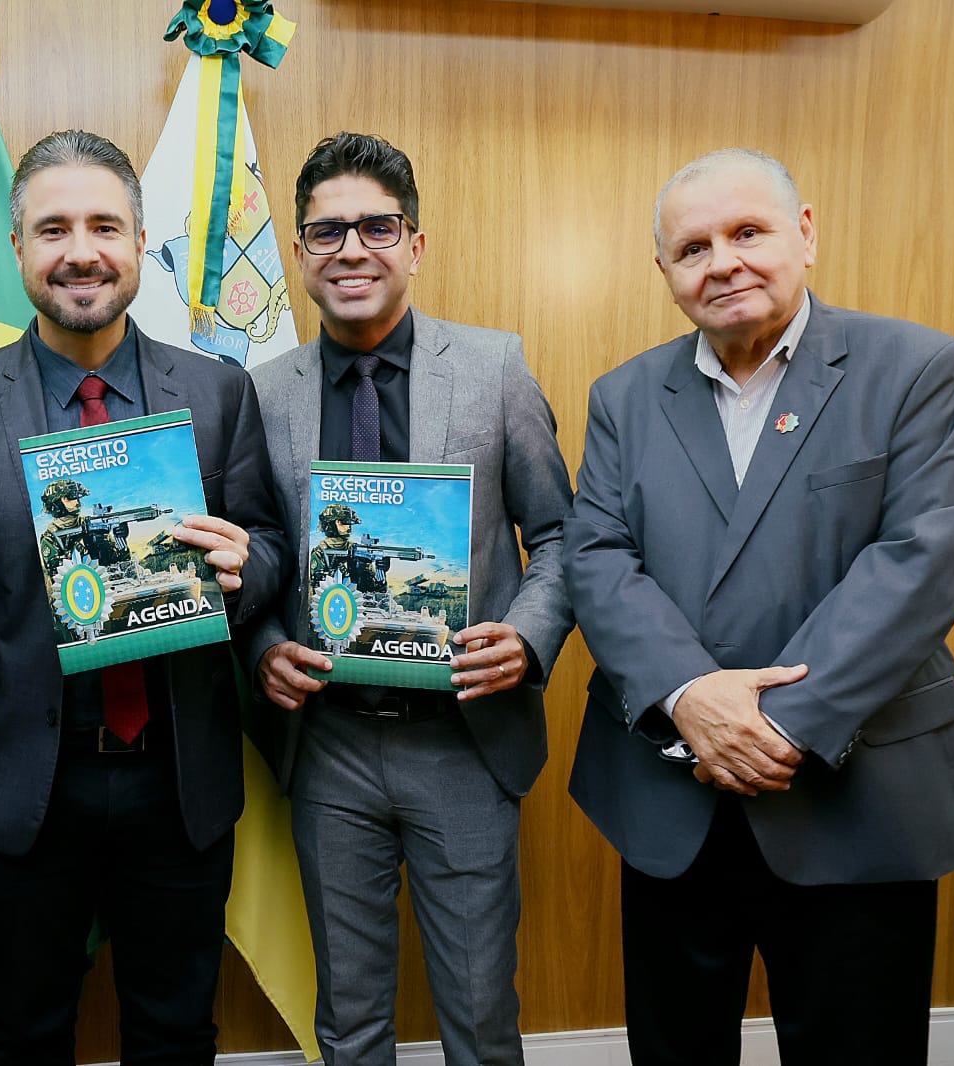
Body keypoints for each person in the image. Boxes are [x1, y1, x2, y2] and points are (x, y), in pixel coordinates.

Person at [564, 147, 954, 1066]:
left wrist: (774, 727)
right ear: (666, 274)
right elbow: (598, 556)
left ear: (803, 235)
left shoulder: (913, 367)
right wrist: (691, 695)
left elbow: (924, 560)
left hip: (855, 792)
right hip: (670, 791)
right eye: (693, 247)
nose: (721, 261)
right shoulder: (623, 397)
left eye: (747, 232)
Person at [0, 129, 286, 1066]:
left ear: (140, 242)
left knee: (177, 1029)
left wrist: (245, 563)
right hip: (25, 781)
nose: (81, 251)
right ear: (19, 250)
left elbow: (269, 546)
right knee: (23, 1031)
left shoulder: (220, 393)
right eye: (53, 229)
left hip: (177, 775)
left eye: (104, 225)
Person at [242, 132, 574, 1066]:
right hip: (330, 745)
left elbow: (560, 537)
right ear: (301, 254)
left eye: (377, 227)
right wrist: (264, 642)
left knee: (478, 1016)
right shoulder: (261, 395)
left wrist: (528, 634)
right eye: (327, 232)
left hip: (462, 741)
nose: (352, 249)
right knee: (348, 1020)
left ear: (416, 244)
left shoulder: (496, 368)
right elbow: (257, 552)